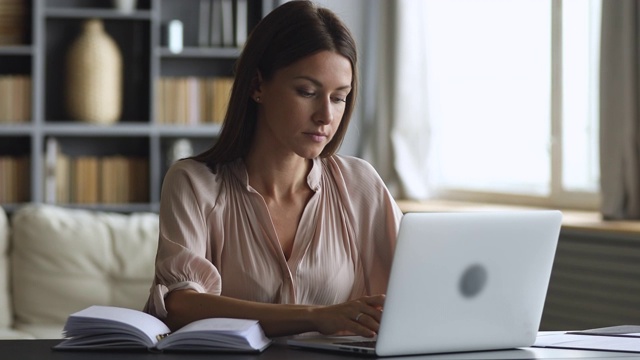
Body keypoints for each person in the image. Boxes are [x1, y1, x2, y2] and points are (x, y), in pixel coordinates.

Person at [144, 0, 403, 338]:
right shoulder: (193, 183)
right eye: (307, 92)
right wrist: (314, 316)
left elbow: (418, 286)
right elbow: (180, 305)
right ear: (257, 86)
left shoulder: (360, 184)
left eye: (339, 97)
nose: (326, 116)